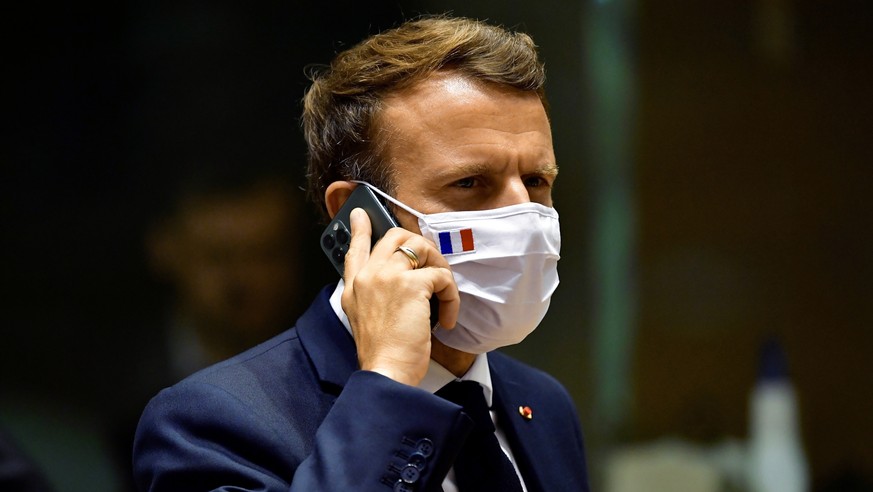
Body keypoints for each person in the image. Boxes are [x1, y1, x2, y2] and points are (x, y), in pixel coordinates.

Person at [133, 15, 590, 491]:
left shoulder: (544, 405)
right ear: (358, 218)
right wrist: (389, 385)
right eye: (470, 183)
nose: (523, 215)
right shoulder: (209, 422)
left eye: (537, 181)